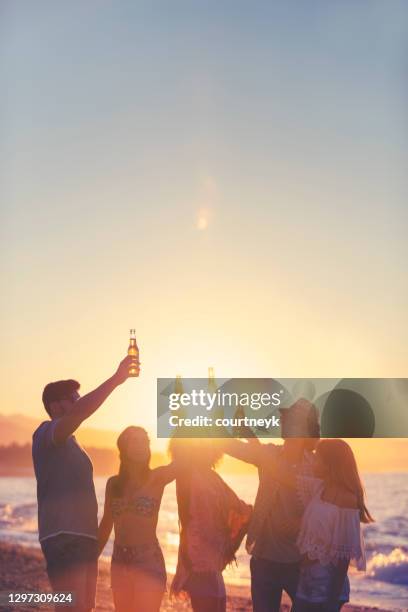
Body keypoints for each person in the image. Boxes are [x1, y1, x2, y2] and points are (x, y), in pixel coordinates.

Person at [32, 354, 139, 612]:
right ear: (55, 406)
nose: (79, 402)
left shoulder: (73, 444)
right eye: (73, 398)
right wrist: (116, 380)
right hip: (63, 537)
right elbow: (81, 413)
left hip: (84, 541)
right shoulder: (47, 433)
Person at [222, 400, 320, 612]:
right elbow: (229, 446)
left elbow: (327, 511)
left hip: (300, 562)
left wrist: (301, 523)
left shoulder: (317, 466)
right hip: (264, 559)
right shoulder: (270, 454)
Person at [271, 438, 372, 610]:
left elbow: (343, 555)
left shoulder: (347, 499)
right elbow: (285, 477)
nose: (312, 462)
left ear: (330, 464)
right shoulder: (320, 488)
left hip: (327, 587)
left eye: (317, 458)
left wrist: (332, 599)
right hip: (307, 581)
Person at [98, 426, 176, 612]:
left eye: (145, 442)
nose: (142, 446)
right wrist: (89, 560)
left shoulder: (157, 477)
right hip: (119, 561)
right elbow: (106, 524)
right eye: (136, 441)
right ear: (123, 447)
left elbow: (184, 461)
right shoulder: (113, 484)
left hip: (148, 561)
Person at [169, 437, 252, 612]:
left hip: (213, 557)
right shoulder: (186, 474)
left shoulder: (213, 477)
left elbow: (238, 507)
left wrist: (256, 514)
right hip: (197, 556)